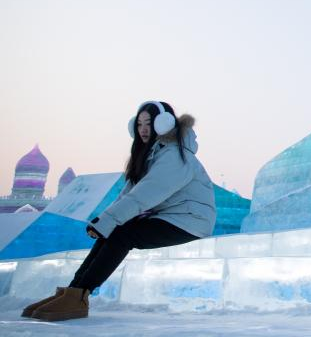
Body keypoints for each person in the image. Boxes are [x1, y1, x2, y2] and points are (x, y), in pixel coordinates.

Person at [21, 101, 216, 321]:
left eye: (149, 124)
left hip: (191, 221)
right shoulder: (153, 155)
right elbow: (127, 194)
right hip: (171, 217)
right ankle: (72, 291)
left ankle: (80, 295)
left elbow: (144, 195)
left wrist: (109, 222)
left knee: (123, 234)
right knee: (114, 229)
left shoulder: (176, 156)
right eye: (139, 124)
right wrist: (105, 222)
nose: (143, 129)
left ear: (164, 124)